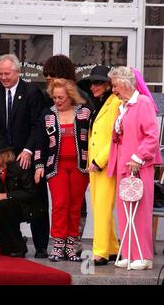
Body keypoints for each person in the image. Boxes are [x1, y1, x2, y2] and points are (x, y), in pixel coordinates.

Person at [0, 54, 49, 258]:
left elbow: (37, 125)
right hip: (6, 157)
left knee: (36, 199)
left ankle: (40, 245)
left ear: (17, 72)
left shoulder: (31, 92)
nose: (3, 77)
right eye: (0, 74)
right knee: (7, 199)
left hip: (27, 156)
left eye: (7, 73)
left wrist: (28, 150)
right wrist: (2, 153)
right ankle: (13, 241)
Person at [107, 66, 161, 270]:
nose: (113, 90)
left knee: (140, 211)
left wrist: (138, 157)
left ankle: (144, 256)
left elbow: (151, 135)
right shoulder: (123, 106)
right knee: (124, 211)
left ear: (125, 83)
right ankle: (129, 253)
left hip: (139, 165)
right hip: (124, 164)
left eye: (115, 85)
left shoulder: (143, 102)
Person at [34, 78, 90, 262]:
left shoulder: (85, 113)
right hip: (55, 167)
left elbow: (94, 138)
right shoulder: (47, 115)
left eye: (61, 98)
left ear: (71, 97)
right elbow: (39, 141)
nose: (57, 101)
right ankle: (58, 244)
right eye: (55, 97)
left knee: (75, 207)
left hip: (80, 167)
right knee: (60, 205)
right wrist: (39, 165)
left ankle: (71, 245)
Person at [78, 65, 122, 265]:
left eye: (98, 82)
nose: (93, 86)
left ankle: (101, 251)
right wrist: (91, 161)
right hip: (95, 164)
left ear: (108, 84)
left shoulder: (115, 103)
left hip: (105, 162)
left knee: (103, 207)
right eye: (92, 82)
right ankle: (112, 248)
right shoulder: (98, 103)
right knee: (99, 206)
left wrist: (99, 160)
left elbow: (114, 137)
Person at [0, 134, 43, 257]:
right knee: (2, 247)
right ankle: (14, 240)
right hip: (2, 213)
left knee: (4, 204)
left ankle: (20, 247)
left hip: (24, 208)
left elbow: (31, 193)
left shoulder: (19, 167)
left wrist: (8, 195)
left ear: (5, 154)